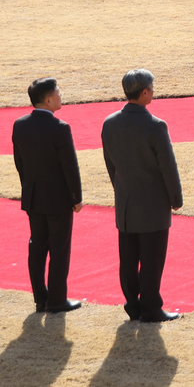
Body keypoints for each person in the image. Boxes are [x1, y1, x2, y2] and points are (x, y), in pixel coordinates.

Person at [101, 68, 183, 323]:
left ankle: (133, 303)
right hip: (153, 205)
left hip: (125, 204)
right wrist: (176, 199)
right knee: (151, 260)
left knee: (128, 258)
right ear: (145, 91)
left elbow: (110, 164)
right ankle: (151, 307)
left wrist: (121, 189)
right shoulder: (155, 126)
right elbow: (167, 167)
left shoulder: (110, 123)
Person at [12, 77, 83, 314]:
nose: (61, 96)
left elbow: (19, 163)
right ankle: (57, 300)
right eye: (58, 93)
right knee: (59, 250)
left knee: (37, 247)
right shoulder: (60, 128)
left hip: (33, 198)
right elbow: (69, 167)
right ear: (48, 99)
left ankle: (40, 298)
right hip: (58, 200)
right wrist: (76, 197)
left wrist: (28, 190)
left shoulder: (20, 124)